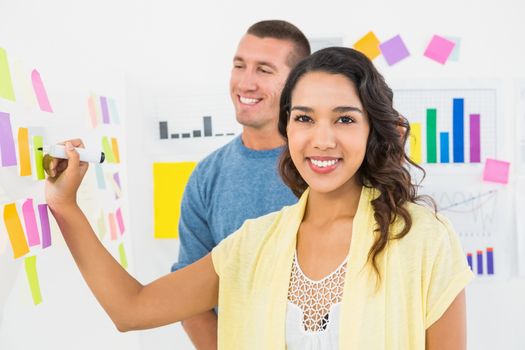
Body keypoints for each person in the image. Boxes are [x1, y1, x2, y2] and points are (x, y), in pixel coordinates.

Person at [44, 47, 473, 349]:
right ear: (287, 130)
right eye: (304, 118)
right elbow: (131, 310)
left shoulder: (424, 240)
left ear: (370, 130)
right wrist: (66, 207)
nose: (322, 140)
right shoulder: (253, 244)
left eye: (344, 118)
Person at [170, 20, 310, 349]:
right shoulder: (206, 177)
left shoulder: (322, 168)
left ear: (296, 83)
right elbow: (188, 298)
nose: (246, 82)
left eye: (264, 69)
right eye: (239, 65)